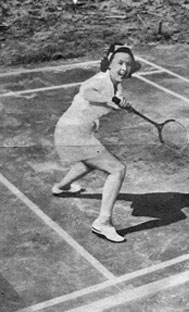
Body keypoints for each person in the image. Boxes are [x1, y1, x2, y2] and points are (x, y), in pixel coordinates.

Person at [52, 43, 141, 243]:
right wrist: (109, 101)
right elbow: (87, 93)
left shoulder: (117, 84)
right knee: (117, 169)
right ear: (109, 63)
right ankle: (103, 222)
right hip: (72, 133)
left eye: (128, 64)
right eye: (119, 62)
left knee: (89, 162)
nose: (124, 68)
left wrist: (122, 104)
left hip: (75, 130)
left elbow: (114, 100)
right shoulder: (99, 80)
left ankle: (61, 187)